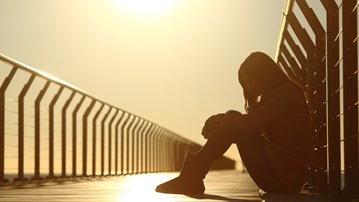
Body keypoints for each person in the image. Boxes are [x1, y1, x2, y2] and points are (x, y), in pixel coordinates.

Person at [155, 51, 313, 194]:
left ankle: (190, 178)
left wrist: (217, 120)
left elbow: (249, 123)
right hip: (281, 173)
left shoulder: (285, 93)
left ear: (262, 74)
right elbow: (247, 122)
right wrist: (222, 120)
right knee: (233, 119)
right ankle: (191, 178)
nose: (248, 87)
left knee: (234, 125)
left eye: (248, 81)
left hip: (284, 178)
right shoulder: (275, 95)